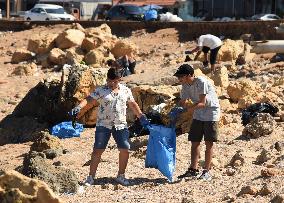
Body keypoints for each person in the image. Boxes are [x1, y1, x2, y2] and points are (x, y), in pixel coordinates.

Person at [70, 67, 150, 186]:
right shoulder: (101, 90)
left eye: (115, 81)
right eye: (109, 81)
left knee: (125, 149)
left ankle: (121, 176)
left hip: (120, 125)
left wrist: (141, 116)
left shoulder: (126, 90)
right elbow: (89, 100)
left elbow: (133, 104)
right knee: (98, 150)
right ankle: (91, 177)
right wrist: (79, 107)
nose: (111, 84)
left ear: (119, 79)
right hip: (103, 125)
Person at [172, 64, 220, 181]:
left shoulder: (201, 82)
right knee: (195, 142)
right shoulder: (185, 85)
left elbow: (202, 103)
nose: (179, 79)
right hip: (198, 114)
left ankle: (207, 171)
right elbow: (183, 102)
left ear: (189, 75)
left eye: (181, 77)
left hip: (210, 113)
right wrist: (177, 108)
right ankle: (193, 170)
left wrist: (187, 110)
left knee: (209, 143)